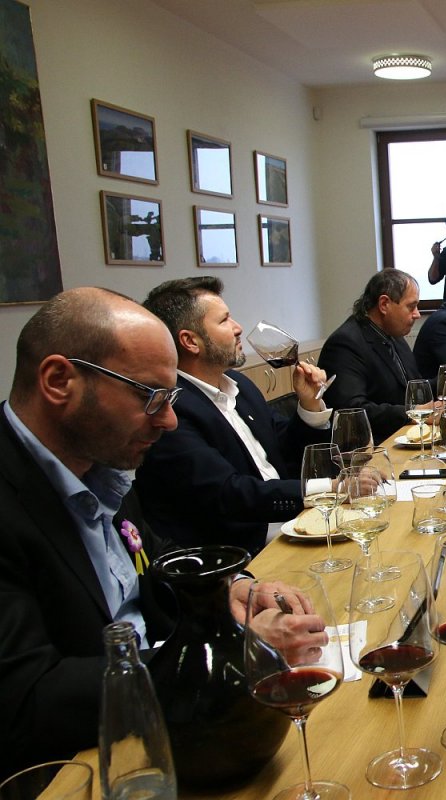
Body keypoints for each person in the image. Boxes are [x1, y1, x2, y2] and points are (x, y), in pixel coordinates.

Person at [0, 288, 310, 776]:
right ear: (59, 381)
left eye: (171, 398)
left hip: (173, 726)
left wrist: (232, 587)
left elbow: (155, 553)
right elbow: (27, 697)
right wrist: (224, 653)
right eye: (150, 396)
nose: (169, 420)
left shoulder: (100, 461)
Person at [137, 277, 331, 555]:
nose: (238, 327)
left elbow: (285, 449)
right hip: (244, 555)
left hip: (295, 526)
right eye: (224, 320)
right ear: (190, 341)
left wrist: (310, 405)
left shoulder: (240, 385)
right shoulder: (170, 410)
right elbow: (229, 493)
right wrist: (328, 489)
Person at [318, 268, 422, 442]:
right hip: (371, 447)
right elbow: (353, 411)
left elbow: (414, 385)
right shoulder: (345, 344)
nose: (417, 314)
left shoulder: (394, 335)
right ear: (384, 304)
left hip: (402, 437)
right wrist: (412, 413)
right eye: (411, 307)